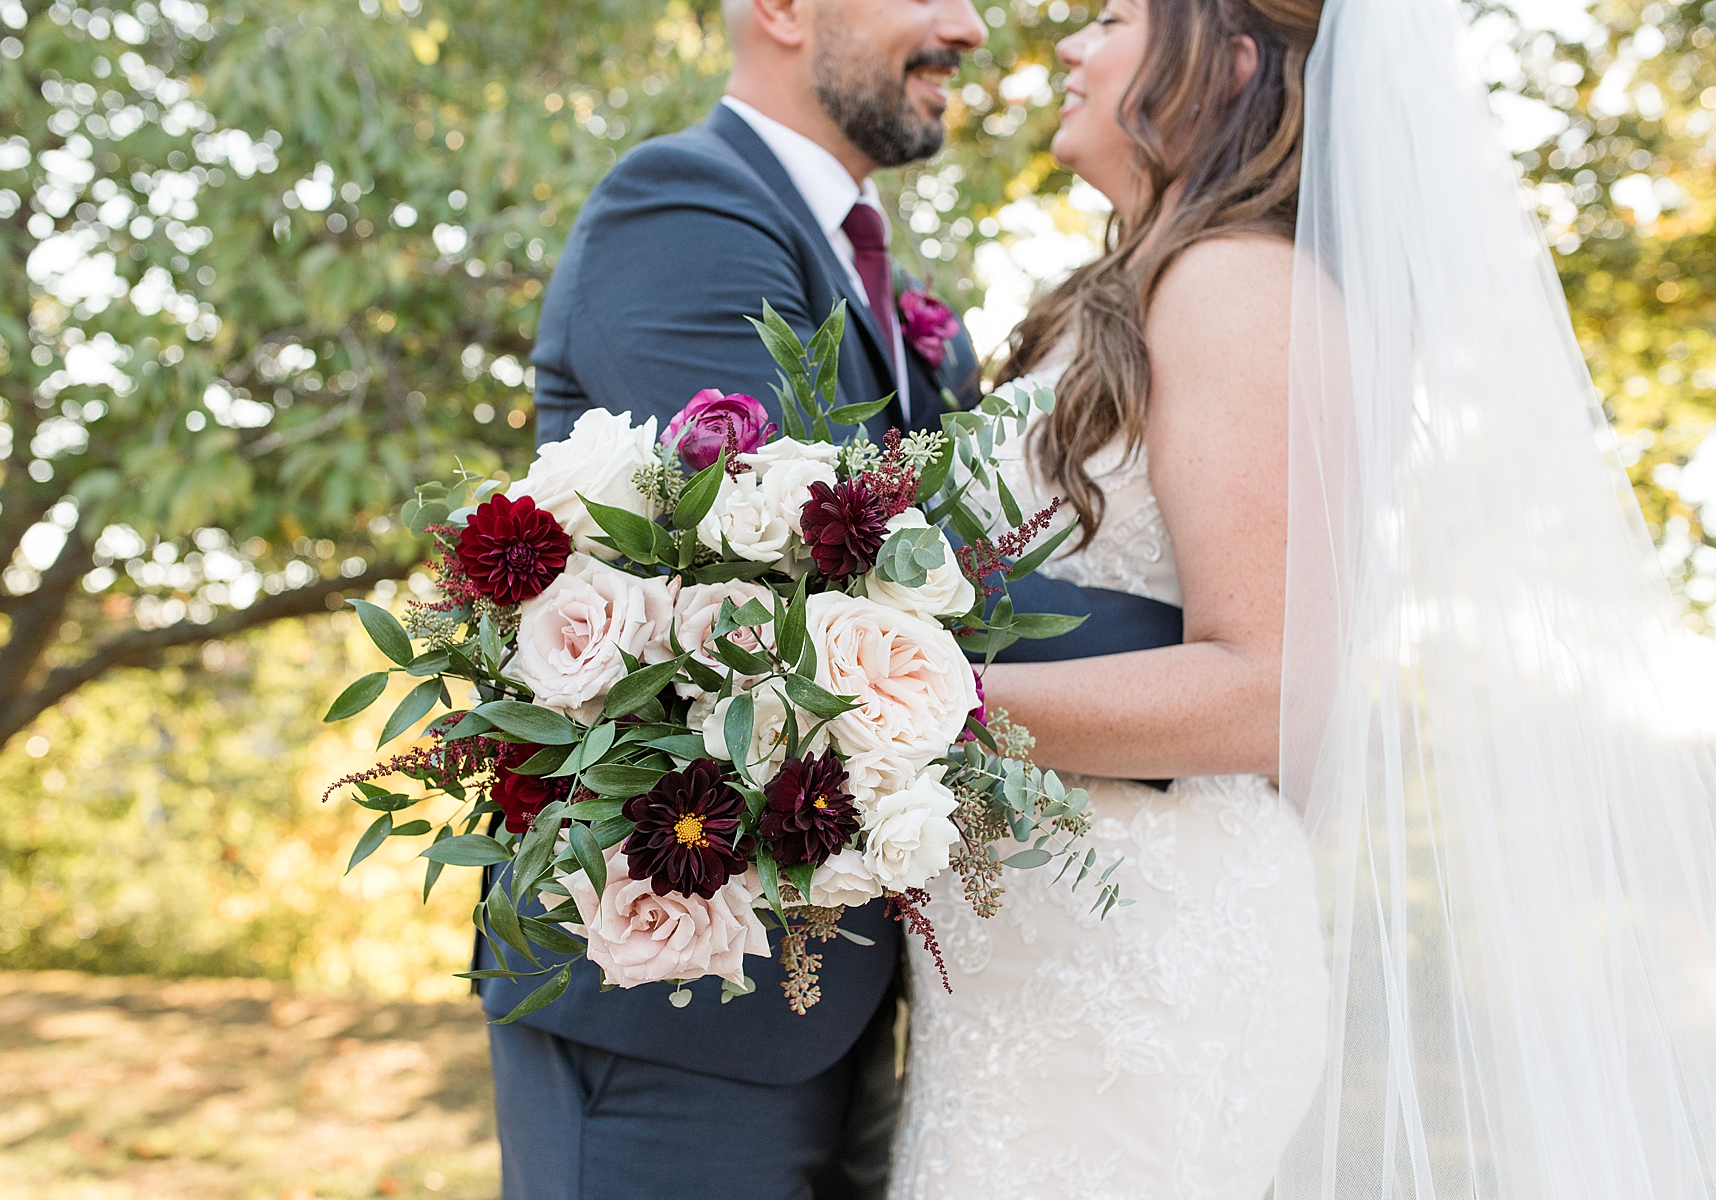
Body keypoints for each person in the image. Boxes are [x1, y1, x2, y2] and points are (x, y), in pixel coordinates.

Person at [891, 0, 1716, 1196]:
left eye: (1114, 17)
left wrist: (892, 706)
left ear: (1228, 63)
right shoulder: (1139, 290)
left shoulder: (1235, 283)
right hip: (1039, 966)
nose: (1071, 48)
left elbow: (1276, 688)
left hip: (1133, 964)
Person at [485, 1, 1192, 1197]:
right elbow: (799, 582)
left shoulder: (886, 286)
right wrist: (1212, 663)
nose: (969, 28)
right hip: (677, 1002)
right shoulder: (685, 209)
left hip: (846, 977)